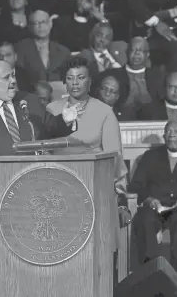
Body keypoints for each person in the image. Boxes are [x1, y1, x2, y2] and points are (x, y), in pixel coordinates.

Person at [46, 56, 129, 248]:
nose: (75, 83)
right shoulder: (52, 109)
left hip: (94, 186)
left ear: (90, 81)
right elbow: (45, 151)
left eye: (81, 77)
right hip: (58, 185)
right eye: (70, 78)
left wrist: (121, 199)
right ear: (64, 82)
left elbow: (114, 158)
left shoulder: (105, 112)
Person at [0, 60, 78, 155]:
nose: (13, 81)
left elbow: (52, 128)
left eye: (13, 75)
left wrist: (66, 121)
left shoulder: (30, 100)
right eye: (6, 78)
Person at [129, 120, 177, 270]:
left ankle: (172, 269)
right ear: (164, 136)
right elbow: (136, 185)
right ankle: (151, 269)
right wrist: (149, 199)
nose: (172, 135)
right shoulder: (151, 156)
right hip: (155, 208)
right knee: (145, 220)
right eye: (168, 132)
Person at [97, 37, 165, 109]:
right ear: (127, 51)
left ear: (147, 54)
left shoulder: (158, 76)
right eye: (133, 49)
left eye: (141, 50)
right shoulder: (112, 75)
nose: (136, 53)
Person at [15, 8, 70, 83]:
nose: (40, 26)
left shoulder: (64, 51)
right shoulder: (21, 48)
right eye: (36, 23)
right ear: (30, 27)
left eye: (43, 22)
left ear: (50, 24)